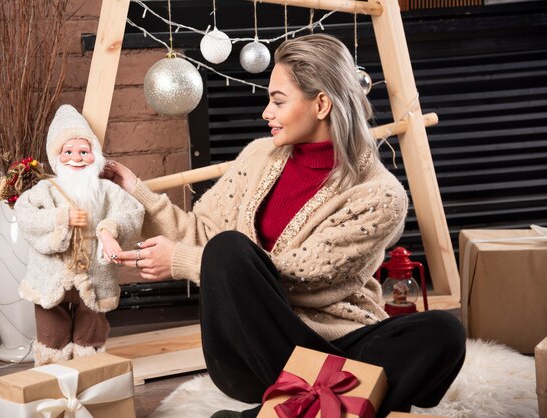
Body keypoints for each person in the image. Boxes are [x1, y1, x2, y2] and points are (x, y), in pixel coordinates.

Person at [105, 34, 465, 417]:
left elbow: (300, 277)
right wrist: (136, 192)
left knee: (444, 332)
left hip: (335, 342)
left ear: (322, 104)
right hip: (255, 349)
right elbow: (205, 236)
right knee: (228, 247)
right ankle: (341, 402)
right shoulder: (260, 155)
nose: (266, 112)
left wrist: (184, 261)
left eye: (278, 101)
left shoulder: (380, 196)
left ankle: (293, 409)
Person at [15, 104, 144, 366]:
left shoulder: (105, 190)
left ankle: (90, 362)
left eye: (84, 151)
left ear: (94, 155)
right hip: (53, 273)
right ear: (56, 155)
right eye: (68, 152)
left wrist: (109, 231)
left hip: (94, 272)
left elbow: (132, 211)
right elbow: (25, 213)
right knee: (51, 319)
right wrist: (60, 218)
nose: (76, 157)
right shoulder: (45, 189)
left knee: (93, 319)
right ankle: (54, 364)